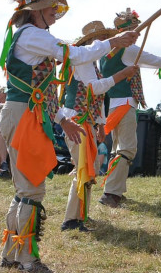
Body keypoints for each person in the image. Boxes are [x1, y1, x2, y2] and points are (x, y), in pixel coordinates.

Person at [0, 0, 138, 273]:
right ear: (34, 11)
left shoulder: (32, 38)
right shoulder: (31, 35)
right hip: (24, 115)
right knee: (30, 189)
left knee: (27, 187)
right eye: (49, 7)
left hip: (28, 113)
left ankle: (13, 255)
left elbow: (45, 90)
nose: (54, 12)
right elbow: (75, 53)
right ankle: (26, 259)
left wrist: (63, 120)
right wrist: (113, 42)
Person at [98, 8, 161, 208]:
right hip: (124, 104)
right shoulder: (129, 50)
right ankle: (111, 194)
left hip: (112, 104)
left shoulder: (105, 50)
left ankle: (116, 190)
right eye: (134, 29)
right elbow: (160, 62)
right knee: (126, 149)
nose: (137, 34)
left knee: (118, 148)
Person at [60, 21, 140, 232]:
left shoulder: (89, 63)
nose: (104, 44)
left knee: (88, 168)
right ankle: (72, 219)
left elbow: (96, 96)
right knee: (83, 168)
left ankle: (79, 216)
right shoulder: (83, 61)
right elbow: (94, 89)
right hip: (76, 120)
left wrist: (100, 124)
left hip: (84, 120)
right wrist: (122, 75)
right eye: (101, 40)